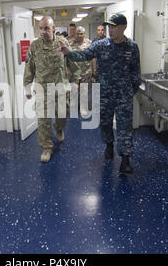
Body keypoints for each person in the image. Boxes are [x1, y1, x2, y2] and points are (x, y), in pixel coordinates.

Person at [59, 13, 141, 174]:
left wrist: (133, 89)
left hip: (124, 94)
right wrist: (69, 53)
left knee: (124, 127)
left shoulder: (132, 47)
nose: (111, 30)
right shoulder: (101, 44)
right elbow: (84, 55)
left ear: (123, 27)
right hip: (104, 92)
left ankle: (125, 159)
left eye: (114, 27)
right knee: (105, 123)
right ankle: (109, 146)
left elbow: (136, 70)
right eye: (109, 27)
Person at [24, 16, 78, 163]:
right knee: (43, 121)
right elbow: (29, 67)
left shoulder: (63, 42)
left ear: (53, 28)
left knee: (63, 115)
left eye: (46, 28)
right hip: (42, 89)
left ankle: (59, 128)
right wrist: (27, 86)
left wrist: (75, 80)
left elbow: (71, 61)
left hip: (60, 87)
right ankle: (47, 147)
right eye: (40, 28)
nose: (43, 31)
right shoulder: (34, 46)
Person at [68, 26, 92, 116]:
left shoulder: (89, 43)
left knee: (84, 91)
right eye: (78, 33)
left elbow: (93, 57)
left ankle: (83, 108)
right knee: (73, 90)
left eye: (81, 33)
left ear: (84, 34)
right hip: (74, 72)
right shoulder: (71, 44)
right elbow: (67, 57)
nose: (79, 35)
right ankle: (73, 107)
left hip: (85, 71)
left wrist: (94, 70)